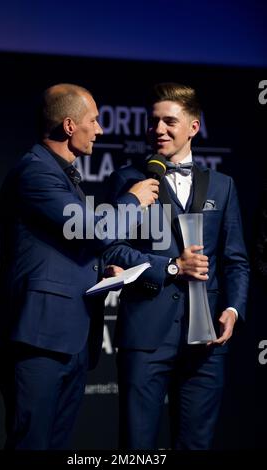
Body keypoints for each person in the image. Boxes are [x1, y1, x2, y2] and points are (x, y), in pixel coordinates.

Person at [0, 83, 159, 449]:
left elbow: (71, 246)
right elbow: (91, 230)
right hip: (38, 339)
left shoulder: (63, 177)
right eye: (93, 121)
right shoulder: (35, 173)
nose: (99, 130)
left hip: (69, 339)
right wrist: (133, 199)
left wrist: (105, 271)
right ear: (69, 126)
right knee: (31, 444)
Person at [103, 82, 249, 449]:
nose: (159, 131)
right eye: (153, 123)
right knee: (137, 447)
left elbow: (235, 259)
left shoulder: (223, 185)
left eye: (169, 122)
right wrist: (170, 266)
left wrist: (232, 309)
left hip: (207, 341)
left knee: (197, 443)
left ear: (193, 127)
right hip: (146, 335)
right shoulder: (127, 181)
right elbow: (111, 249)